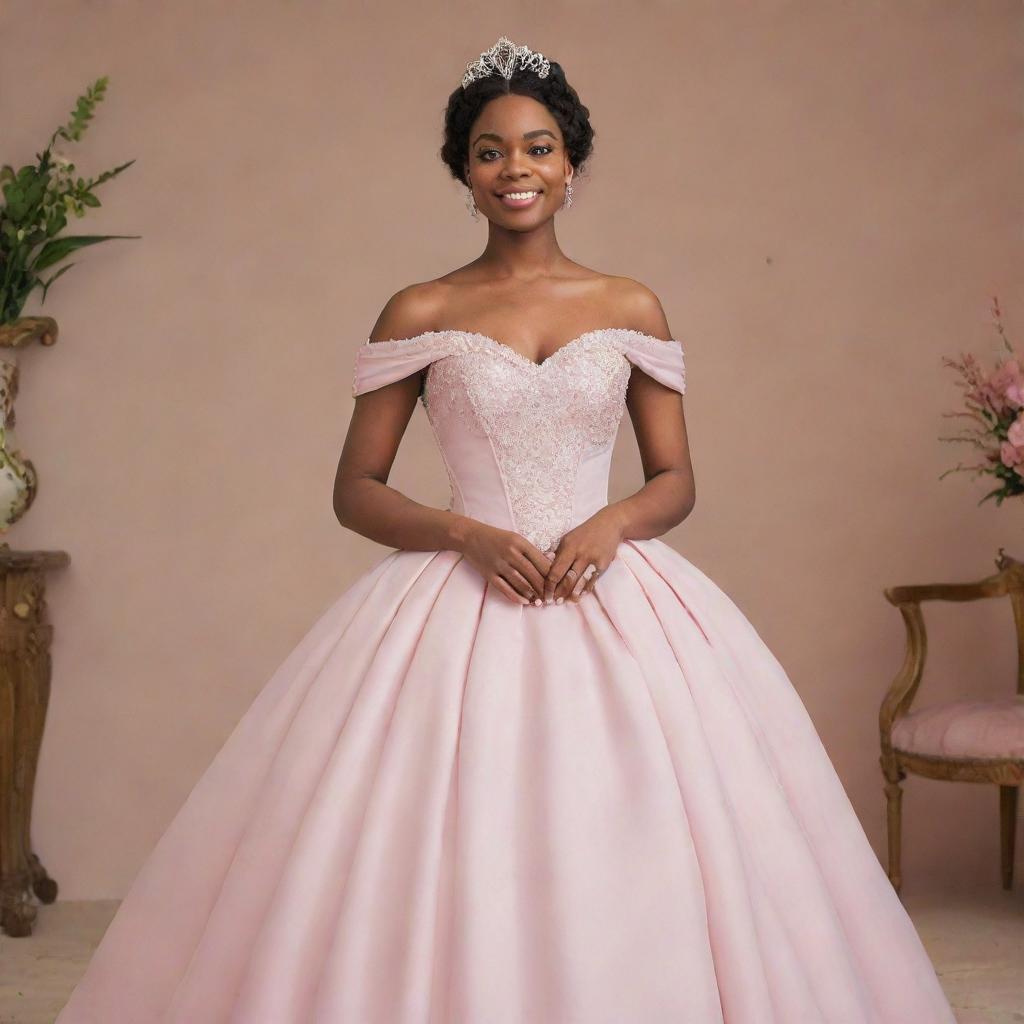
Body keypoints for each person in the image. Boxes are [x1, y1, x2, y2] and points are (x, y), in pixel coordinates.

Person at [56, 35, 958, 1024]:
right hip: (456, 593)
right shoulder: (421, 307)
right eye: (489, 151)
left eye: (536, 148)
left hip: (609, 588)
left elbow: (675, 478)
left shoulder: (628, 303)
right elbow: (356, 488)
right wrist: (465, 534)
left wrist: (611, 524)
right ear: (462, 172)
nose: (514, 169)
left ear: (571, 164)